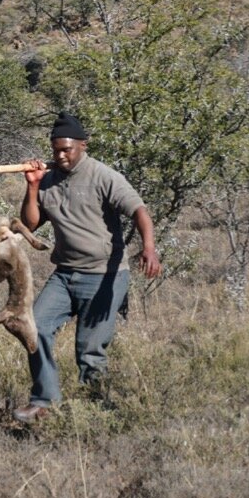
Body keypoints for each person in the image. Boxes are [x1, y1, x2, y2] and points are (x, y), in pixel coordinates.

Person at [13, 112, 162, 423]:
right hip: (65, 274)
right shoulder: (49, 180)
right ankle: (44, 399)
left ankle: (95, 414)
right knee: (34, 327)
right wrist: (32, 186)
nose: (61, 155)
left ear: (83, 145)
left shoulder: (103, 176)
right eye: (56, 150)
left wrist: (149, 248)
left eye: (67, 149)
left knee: (90, 350)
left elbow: (139, 210)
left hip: (104, 276)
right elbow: (30, 223)